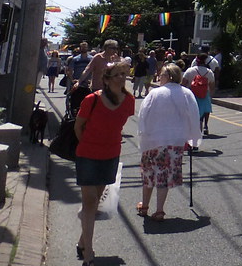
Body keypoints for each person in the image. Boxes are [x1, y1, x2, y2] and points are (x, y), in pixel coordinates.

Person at [74, 61, 135, 266]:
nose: (121, 78)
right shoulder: (92, 99)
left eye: (124, 74)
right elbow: (78, 127)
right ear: (106, 80)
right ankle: (89, 252)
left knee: (97, 200)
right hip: (88, 154)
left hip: (110, 154)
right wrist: (90, 145)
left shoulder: (129, 100)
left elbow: (118, 126)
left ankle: (82, 241)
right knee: (89, 201)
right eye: (117, 75)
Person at [136, 63, 203, 221]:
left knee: (149, 173)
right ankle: (159, 210)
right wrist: (194, 138)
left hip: (152, 139)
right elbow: (193, 116)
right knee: (163, 175)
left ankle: (144, 206)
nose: (159, 78)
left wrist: (142, 133)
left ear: (169, 76)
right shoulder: (186, 93)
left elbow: (143, 114)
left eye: (162, 75)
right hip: (175, 141)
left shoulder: (155, 93)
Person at [182, 53, 216, 135]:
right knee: (206, 110)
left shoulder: (190, 71)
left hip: (192, 95)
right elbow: (212, 86)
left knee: (191, 114)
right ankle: (205, 126)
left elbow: (183, 84)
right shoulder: (209, 72)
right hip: (204, 94)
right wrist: (210, 95)